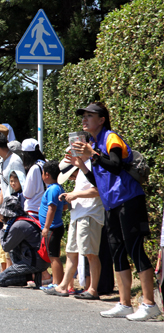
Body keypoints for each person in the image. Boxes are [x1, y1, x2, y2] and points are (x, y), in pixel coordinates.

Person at [71, 102, 161, 321]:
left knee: (135, 249)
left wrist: (92, 154)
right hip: (111, 204)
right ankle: (124, 303)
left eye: (89, 116)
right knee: (117, 252)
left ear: (101, 120)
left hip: (129, 200)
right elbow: (98, 179)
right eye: (83, 116)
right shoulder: (93, 143)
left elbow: (115, 164)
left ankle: (150, 304)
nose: (84, 119)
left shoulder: (111, 138)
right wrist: (80, 164)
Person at [43, 153, 104, 300]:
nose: (70, 178)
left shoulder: (92, 166)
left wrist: (75, 195)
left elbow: (99, 190)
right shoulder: (84, 168)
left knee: (90, 253)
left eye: (71, 176)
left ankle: (93, 289)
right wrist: (72, 195)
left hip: (90, 215)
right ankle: (63, 286)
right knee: (71, 252)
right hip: (78, 215)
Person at [0, 196, 50, 287]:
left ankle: (33, 276)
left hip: (34, 262)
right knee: (14, 246)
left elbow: (6, 247)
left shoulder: (18, 225)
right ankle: (33, 275)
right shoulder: (25, 219)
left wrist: (2, 230)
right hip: (39, 259)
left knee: (1, 280)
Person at [38, 160, 67, 288]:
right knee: (53, 255)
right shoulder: (57, 188)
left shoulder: (53, 189)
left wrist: (46, 227)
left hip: (53, 228)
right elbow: (64, 206)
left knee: (53, 257)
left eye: (43, 173)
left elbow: (52, 208)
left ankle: (56, 283)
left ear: (47, 174)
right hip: (55, 226)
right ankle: (57, 282)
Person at [21, 138, 47, 220]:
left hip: (34, 210)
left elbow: (27, 194)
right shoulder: (46, 163)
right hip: (45, 208)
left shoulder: (34, 168)